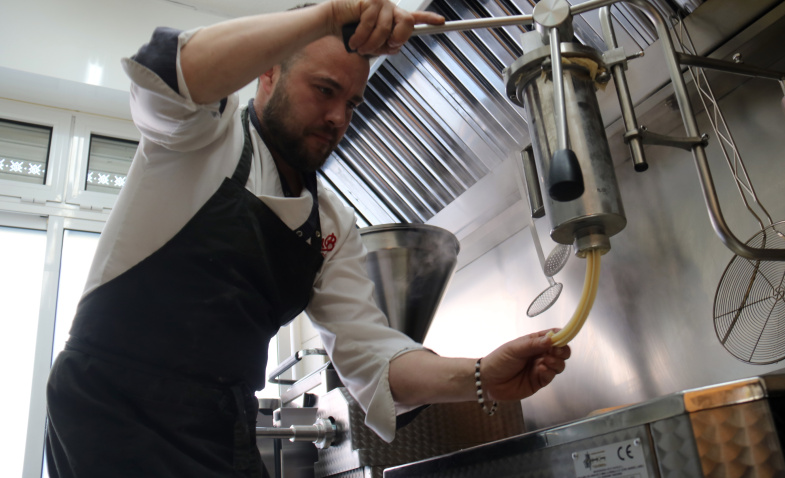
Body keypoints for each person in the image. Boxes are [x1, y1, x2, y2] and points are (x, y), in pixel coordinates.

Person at [45, 1, 571, 476]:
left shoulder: (331, 225)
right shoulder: (202, 137)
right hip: (114, 411)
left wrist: (481, 377)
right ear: (268, 73)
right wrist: (327, 15)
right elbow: (167, 68)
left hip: (222, 421)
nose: (338, 117)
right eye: (324, 90)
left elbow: (373, 359)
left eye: (353, 103)